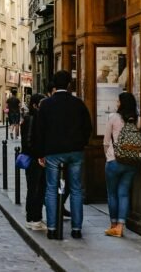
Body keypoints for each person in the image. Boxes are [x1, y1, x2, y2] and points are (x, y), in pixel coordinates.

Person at [36, 69, 92, 240]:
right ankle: (76, 229)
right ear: (69, 84)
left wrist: (41, 153)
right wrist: (80, 144)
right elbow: (88, 128)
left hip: (53, 152)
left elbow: (40, 130)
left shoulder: (46, 104)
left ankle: (52, 228)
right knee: (76, 189)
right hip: (75, 152)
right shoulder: (78, 103)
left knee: (51, 189)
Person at [103, 91, 140, 237]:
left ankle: (113, 224)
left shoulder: (113, 117)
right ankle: (120, 226)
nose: (117, 103)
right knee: (123, 194)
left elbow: (106, 141)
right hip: (131, 161)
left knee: (112, 194)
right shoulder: (137, 119)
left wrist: (108, 155)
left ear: (122, 103)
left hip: (114, 159)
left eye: (118, 101)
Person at [20, 93, 46, 230]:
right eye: (41, 103)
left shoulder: (37, 119)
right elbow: (28, 142)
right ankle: (32, 218)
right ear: (35, 105)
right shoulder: (30, 119)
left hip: (36, 158)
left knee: (38, 189)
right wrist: (38, 156)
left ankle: (36, 217)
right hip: (33, 160)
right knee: (34, 189)